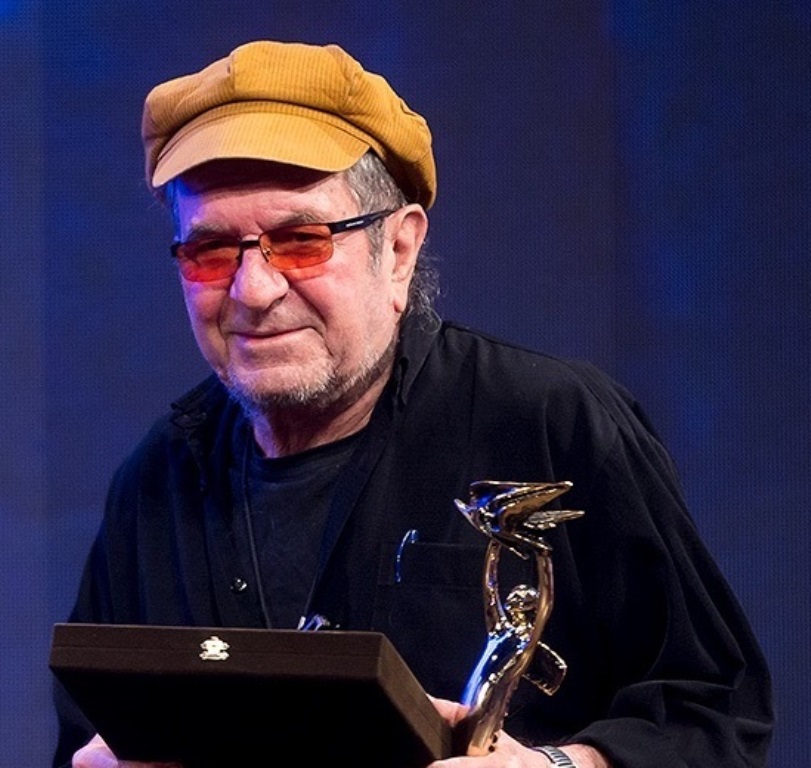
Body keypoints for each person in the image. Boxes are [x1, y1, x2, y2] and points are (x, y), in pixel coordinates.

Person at [53, 39, 774, 768]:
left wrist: (562, 766)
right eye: (210, 251)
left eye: (300, 241)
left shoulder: (548, 421)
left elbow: (713, 716)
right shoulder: (157, 479)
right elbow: (83, 740)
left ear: (398, 250)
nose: (254, 290)